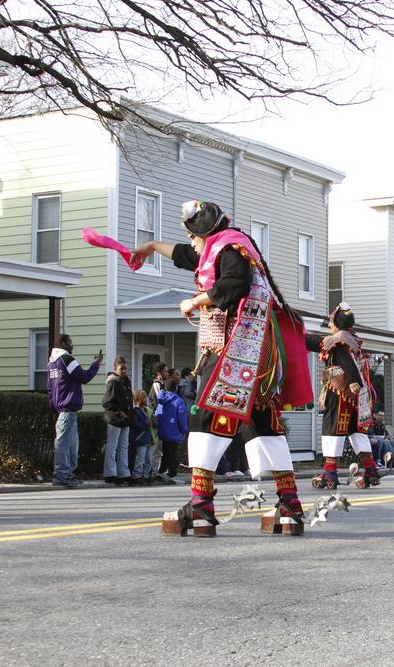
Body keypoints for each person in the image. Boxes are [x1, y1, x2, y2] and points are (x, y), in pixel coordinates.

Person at [133, 200, 313, 536]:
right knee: (263, 424)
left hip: (234, 352)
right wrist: (151, 246)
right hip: (257, 355)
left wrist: (194, 301)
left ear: (204, 233)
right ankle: (289, 506)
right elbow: (188, 257)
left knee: (205, 418)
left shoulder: (229, 249)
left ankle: (200, 506)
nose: (190, 243)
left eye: (192, 236)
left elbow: (234, 285)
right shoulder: (227, 245)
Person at [306, 303, 383, 489]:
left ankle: (330, 472)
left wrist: (353, 380)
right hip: (357, 397)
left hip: (340, 392)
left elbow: (342, 358)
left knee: (332, 427)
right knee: (356, 431)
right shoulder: (352, 339)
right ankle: (371, 470)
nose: (329, 323)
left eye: (331, 320)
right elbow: (314, 341)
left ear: (336, 321)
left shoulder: (338, 339)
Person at [47, 333, 102, 487]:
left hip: (61, 409)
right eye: (70, 342)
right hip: (69, 408)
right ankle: (62, 475)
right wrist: (96, 364)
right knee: (65, 444)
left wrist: (53, 409)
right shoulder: (67, 360)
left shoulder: (51, 363)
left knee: (70, 444)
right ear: (63, 343)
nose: (72, 345)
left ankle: (68, 474)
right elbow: (83, 377)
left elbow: (50, 388)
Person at [102, 356, 133, 486]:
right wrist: (120, 412)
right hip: (115, 419)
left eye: (125, 368)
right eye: (121, 368)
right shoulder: (113, 382)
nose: (124, 371)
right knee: (112, 447)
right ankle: (110, 474)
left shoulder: (125, 381)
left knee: (123, 447)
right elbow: (107, 403)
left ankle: (123, 473)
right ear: (115, 368)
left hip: (126, 420)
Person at [155, 378, 189, 481]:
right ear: (176, 388)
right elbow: (181, 417)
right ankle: (172, 473)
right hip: (175, 431)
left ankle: (162, 471)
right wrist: (184, 429)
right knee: (173, 453)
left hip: (163, 430)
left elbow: (157, 413)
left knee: (166, 452)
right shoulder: (179, 401)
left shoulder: (161, 400)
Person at [129, 390, 154, 485]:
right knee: (140, 458)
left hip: (149, 438)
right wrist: (147, 423)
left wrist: (154, 422)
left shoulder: (147, 410)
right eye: (143, 398)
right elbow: (136, 425)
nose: (145, 399)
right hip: (141, 438)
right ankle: (137, 475)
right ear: (137, 400)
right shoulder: (135, 412)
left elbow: (152, 423)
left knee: (149, 459)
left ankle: (145, 475)